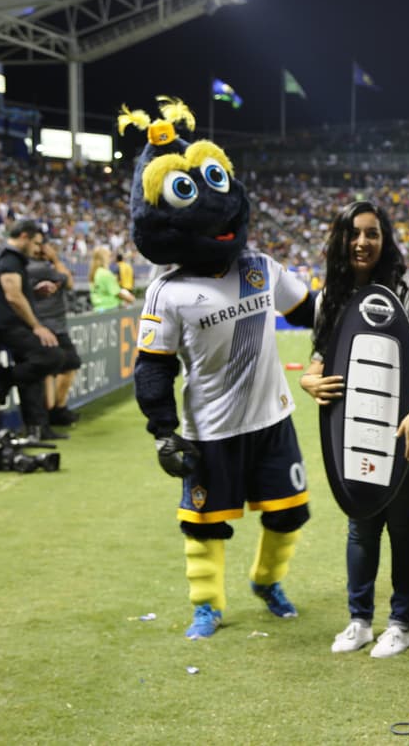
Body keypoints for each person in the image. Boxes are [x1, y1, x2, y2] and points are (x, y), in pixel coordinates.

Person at [126, 96, 316, 640]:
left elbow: (311, 312)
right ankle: (206, 604)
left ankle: (266, 581)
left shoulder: (260, 267)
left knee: (288, 514)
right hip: (209, 431)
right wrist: (163, 431)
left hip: (273, 421)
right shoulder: (168, 290)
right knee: (203, 525)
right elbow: (153, 366)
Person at [300, 201, 409, 659]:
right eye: (354, 234)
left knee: (403, 525)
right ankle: (359, 620)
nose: (363, 242)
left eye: (372, 234)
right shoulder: (331, 295)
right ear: (341, 239)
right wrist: (307, 379)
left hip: (408, 429)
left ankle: (400, 623)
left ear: (385, 239)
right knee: (360, 526)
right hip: (353, 430)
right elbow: (319, 358)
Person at [0, 219, 68, 441]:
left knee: (32, 376)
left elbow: (16, 291)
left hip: (11, 323)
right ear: (24, 237)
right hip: (9, 325)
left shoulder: (5, 256)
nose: (38, 249)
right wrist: (37, 326)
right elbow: (12, 295)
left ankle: (37, 429)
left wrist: (34, 291)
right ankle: (6, 377)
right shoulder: (9, 258)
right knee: (52, 356)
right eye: (36, 243)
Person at [26, 239, 82, 428]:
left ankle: (57, 410)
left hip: (44, 325)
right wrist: (55, 259)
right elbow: (69, 282)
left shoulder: (26, 267)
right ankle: (56, 411)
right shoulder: (43, 268)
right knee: (69, 364)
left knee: (53, 371)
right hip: (53, 328)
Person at [90, 246, 135, 311]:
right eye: (109, 256)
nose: (111, 259)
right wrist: (131, 299)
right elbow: (116, 292)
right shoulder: (106, 273)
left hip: (98, 308)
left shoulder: (95, 272)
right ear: (104, 258)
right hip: (110, 308)